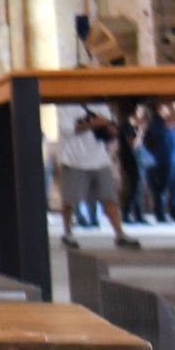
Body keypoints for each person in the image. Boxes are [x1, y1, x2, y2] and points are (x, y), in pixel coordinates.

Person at [56, 107, 135, 250]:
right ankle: (67, 232)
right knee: (70, 199)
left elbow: (109, 126)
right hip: (74, 160)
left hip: (99, 159)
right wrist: (93, 123)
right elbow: (67, 130)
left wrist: (111, 130)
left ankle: (119, 234)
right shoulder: (65, 105)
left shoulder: (100, 104)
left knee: (109, 197)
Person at [136, 102, 175, 225]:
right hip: (163, 159)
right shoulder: (156, 122)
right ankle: (160, 214)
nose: (168, 110)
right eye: (165, 107)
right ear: (158, 110)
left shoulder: (166, 122)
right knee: (162, 189)